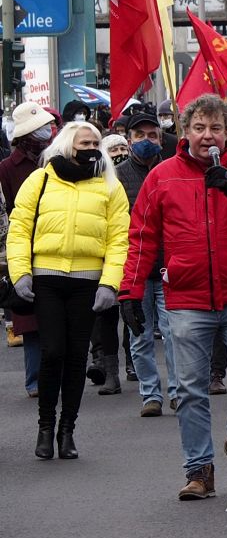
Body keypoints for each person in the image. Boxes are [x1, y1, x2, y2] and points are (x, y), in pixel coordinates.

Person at [121, 94, 227, 501]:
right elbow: (142, 237)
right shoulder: (162, 176)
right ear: (185, 131)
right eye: (198, 128)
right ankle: (199, 470)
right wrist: (131, 291)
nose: (206, 136)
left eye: (215, 128)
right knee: (190, 389)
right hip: (186, 296)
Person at [10, 121, 129, 460]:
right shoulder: (41, 179)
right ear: (65, 145)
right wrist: (21, 274)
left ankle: (67, 431)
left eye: (95, 142)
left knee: (76, 358)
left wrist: (110, 282)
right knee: (52, 353)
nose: (90, 147)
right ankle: (45, 427)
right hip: (45, 280)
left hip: (87, 283)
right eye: (83, 142)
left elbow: (119, 239)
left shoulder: (109, 185)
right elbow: (20, 228)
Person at [112, 123, 170, 415]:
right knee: (140, 334)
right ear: (129, 140)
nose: (146, 141)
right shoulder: (118, 176)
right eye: (139, 136)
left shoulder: (172, 171)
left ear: (161, 139)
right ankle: (151, 395)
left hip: (169, 267)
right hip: (135, 269)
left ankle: (177, 391)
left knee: (175, 334)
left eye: (152, 136)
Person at [3, 101, 57, 398]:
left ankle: (56, 375)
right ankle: (35, 380)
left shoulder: (56, 160)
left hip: (57, 243)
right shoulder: (7, 168)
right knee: (29, 319)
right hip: (24, 246)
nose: (47, 131)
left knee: (57, 317)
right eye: (41, 128)